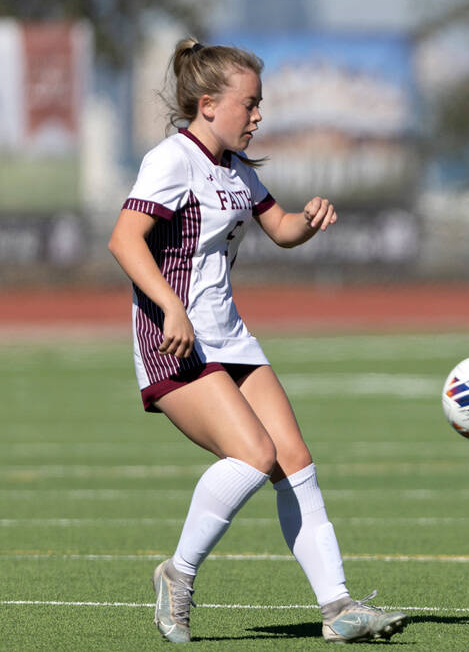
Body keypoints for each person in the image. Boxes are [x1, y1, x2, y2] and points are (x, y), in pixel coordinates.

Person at [107, 38, 407, 644]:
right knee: (253, 456)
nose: (259, 114)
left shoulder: (239, 171)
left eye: (261, 103)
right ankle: (177, 574)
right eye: (251, 103)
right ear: (209, 103)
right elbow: (124, 240)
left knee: (295, 462)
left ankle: (338, 608)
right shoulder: (172, 160)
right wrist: (169, 308)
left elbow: (281, 229)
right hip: (175, 340)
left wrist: (308, 221)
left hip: (232, 338)